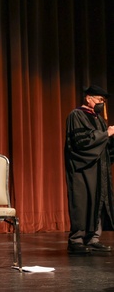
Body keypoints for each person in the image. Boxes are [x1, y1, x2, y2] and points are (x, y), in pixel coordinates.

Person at [64, 84, 114, 254]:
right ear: (88, 98)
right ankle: (76, 240)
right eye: (100, 100)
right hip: (82, 168)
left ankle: (93, 239)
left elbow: (104, 145)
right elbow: (81, 142)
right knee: (82, 202)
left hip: (98, 168)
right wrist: (105, 134)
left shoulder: (99, 119)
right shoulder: (76, 115)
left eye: (104, 101)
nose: (102, 104)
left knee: (98, 200)